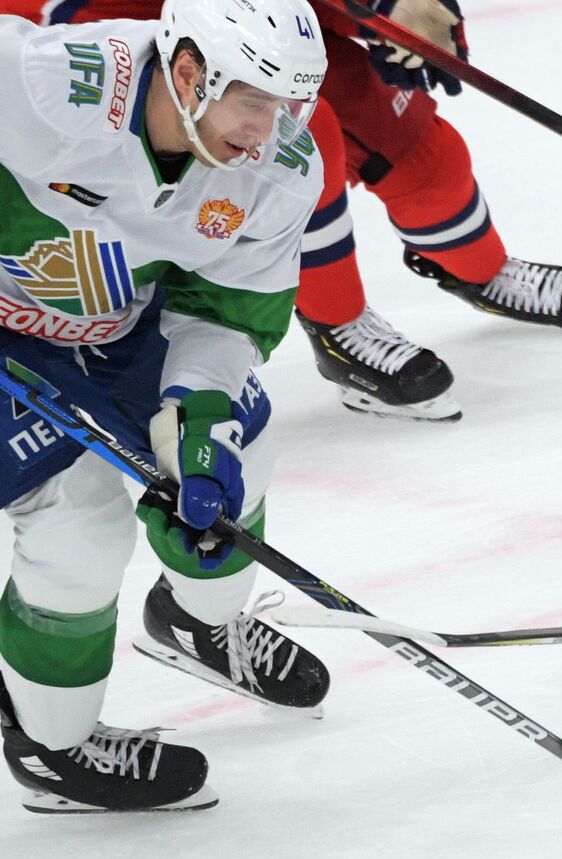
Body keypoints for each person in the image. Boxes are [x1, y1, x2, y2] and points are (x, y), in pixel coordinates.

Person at [0, 0, 331, 812]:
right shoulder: (42, 87)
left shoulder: (279, 167)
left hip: (121, 323)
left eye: (290, 103)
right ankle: (52, 745)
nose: (270, 130)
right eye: (254, 100)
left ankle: (196, 620)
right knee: (80, 528)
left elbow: (226, 311)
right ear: (189, 72)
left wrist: (198, 411)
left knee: (235, 453)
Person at [4, 0, 562, 424]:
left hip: (254, 25)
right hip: (129, 36)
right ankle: (336, 320)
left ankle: (480, 268)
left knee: (420, 155)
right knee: (293, 142)